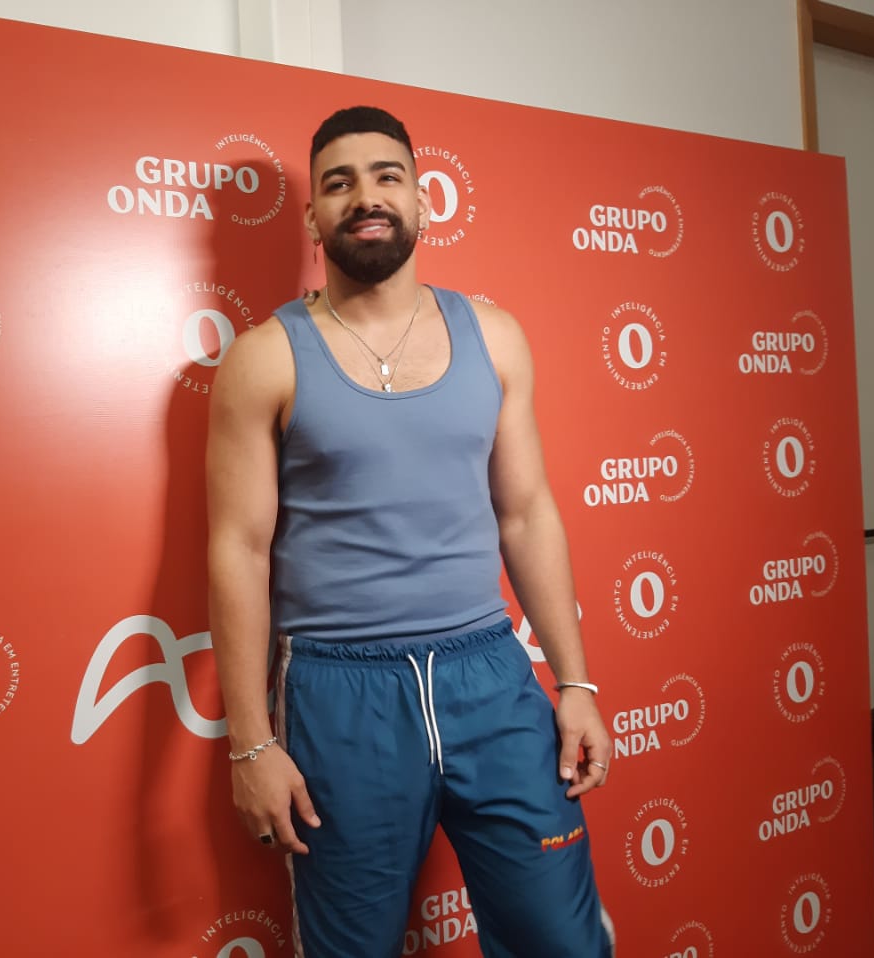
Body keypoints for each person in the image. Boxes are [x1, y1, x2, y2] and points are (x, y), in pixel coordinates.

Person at [206, 105, 613, 958]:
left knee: (562, 943)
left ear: (422, 199)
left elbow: (526, 512)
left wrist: (576, 682)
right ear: (313, 216)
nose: (366, 197)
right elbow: (239, 551)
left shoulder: (494, 337)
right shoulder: (264, 357)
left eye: (387, 176)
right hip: (339, 693)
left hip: (489, 675)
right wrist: (250, 743)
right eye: (339, 183)